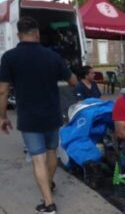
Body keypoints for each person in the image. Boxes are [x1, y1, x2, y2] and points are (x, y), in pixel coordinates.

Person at [0, 17, 77, 214]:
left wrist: (2, 116)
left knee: (38, 159)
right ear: (37, 34)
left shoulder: (9, 57)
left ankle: (49, 203)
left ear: (19, 35)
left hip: (29, 116)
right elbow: (74, 82)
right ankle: (48, 185)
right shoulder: (52, 56)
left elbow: (3, 91)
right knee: (51, 152)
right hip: (52, 114)